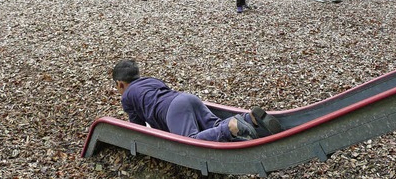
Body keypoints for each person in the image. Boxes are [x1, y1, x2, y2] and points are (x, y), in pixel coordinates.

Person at [112, 59, 282, 142]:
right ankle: (248, 118)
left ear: (120, 84)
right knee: (214, 125)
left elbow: (138, 126)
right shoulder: (151, 80)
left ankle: (231, 128)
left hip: (172, 109)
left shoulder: (127, 96)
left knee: (191, 140)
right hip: (186, 98)